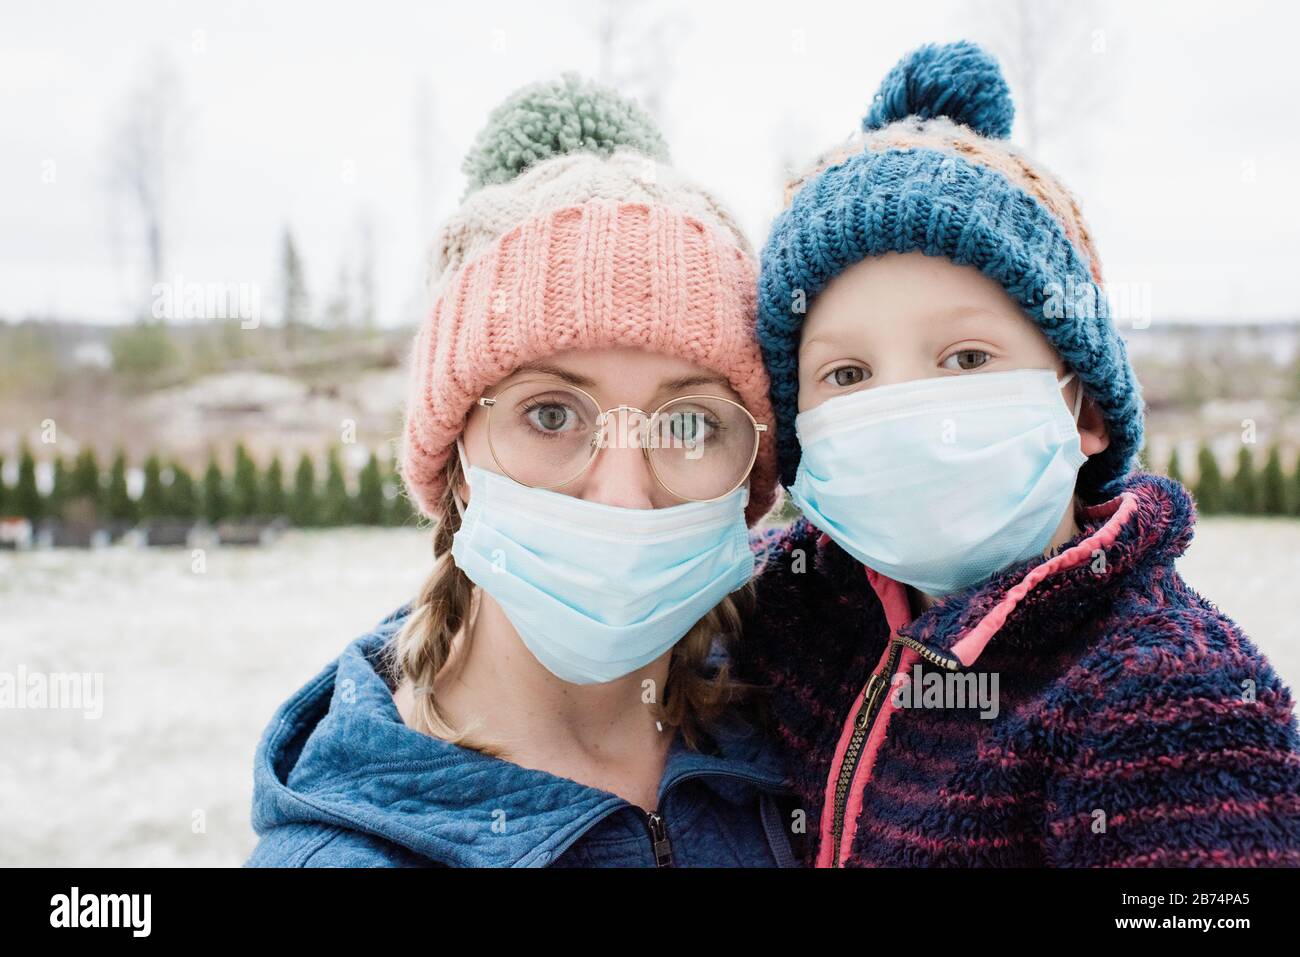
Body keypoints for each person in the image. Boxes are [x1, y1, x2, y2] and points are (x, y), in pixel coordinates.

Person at [740, 41, 1300, 867]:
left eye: (967, 358)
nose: (908, 410)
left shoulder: (1171, 702)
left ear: (1085, 410)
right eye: (847, 373)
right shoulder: (790, 610)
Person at [246, 75, 800, 867]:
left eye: (688, 424)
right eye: (551, 414)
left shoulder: (819, 720)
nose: (621, 493)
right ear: (459, 458)